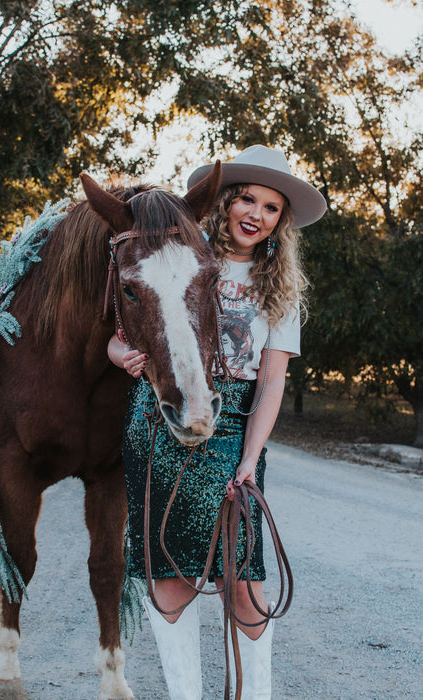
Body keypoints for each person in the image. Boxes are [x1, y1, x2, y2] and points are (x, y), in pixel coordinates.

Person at [108, 145, 327, 699]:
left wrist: (251, 459)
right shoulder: (182, 252)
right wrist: (119, 354)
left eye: (272, 207)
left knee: (244, 584)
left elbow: (272, 381)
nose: (256, 213)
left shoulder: (281, 289)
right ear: (226, 201)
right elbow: (122, 323)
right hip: (160, 425)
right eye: (247, 198)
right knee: (168, 578)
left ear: (282, 221)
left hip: (233, 428)